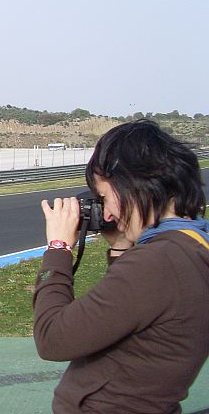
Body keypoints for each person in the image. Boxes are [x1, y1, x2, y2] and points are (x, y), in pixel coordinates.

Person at [33, 119, 208, 413]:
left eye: (104, 197)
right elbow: (131, 318)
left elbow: (52, 339)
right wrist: (122, 245)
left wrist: (58, 248)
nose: (108, 214)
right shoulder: (190, 247)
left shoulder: (158, 262)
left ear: (129, 184)